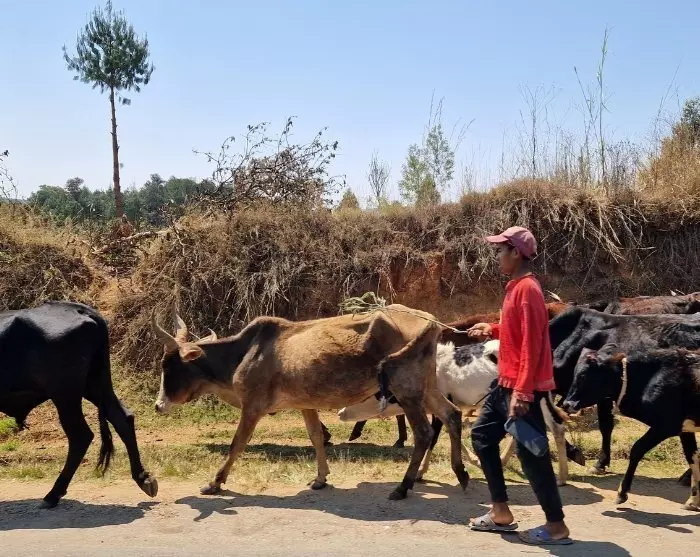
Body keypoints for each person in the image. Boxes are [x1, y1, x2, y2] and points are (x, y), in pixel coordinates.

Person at [467, 226, 572, 546]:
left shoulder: (528, 289)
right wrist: (493, 328)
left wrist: (523, 392)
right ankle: (500, 511)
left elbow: (533, 344)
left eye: (501, 250)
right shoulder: (515, 287)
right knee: (482, 436)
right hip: (505, 384)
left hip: (521, 388)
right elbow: (517, 331)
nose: (497, 256)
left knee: (532, 455)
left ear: (516, 252)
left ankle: (556, 526)